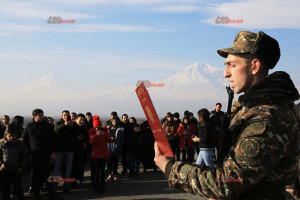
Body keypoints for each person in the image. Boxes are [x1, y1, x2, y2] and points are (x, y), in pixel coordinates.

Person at [154, 31, 300, 199]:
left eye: (232, 65)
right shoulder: (255, 108)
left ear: (254, 66)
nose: (226, 73)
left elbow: (227, 182)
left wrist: (170, 167)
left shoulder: (266, 117)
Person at [22, 109, 60, 200]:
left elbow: (53, 140)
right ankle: (36, 196)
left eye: (42, 115)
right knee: (35, 177)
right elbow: (24, 140)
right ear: (34, 116)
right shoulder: (29, 126)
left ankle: (52, 195)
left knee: (48, 176)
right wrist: (29, 152)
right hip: (34, 156)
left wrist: (52, 152)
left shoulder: (48, 126)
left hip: (45, 155)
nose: (42, 117)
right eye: (39, 115)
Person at [0, 124, 27, 200]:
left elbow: (24, 156)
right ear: (6, 136)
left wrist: (21, 167)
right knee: (6, 188)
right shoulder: (2, 145)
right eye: (10, 136)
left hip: (16, 169)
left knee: (18, 188)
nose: (12, 138)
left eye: (14, 136)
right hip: (5, 170)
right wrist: (1, 164)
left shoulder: (20, 144)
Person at [53, 110, 76, 193]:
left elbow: (75, 134)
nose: (66, 117)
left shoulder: (72, 124)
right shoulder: (58, 123)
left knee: (68, 170)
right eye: (64, 115)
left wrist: (72, 126)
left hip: (69, 150)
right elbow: (56, 131)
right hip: (59, 150)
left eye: (67, 115)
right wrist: (64, 124)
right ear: (62, 116)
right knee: (56, 169)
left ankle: (66, 186)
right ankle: (53, 186)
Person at [89, 125, 112, 194]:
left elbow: (109, 141)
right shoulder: (93, 133)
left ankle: (102, 185)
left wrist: (104, 134)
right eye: (97, 128)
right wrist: (97, 135)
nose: (98, 130)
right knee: (97, 171)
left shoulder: (104, 132)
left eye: (99, 128)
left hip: (104, 155)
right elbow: (91, 143)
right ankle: (96, 186)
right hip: (96, 155)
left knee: (102, 170)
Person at [71, 113, 88, 186]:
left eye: (83, 120)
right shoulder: (72, 127)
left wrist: (84, 142)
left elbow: (86, 137)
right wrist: (76, 138)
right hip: (74, 149)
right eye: (80, 120)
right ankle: (73, 182)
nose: (82, 121)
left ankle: (80, 178)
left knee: (80, 165)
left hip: (81, 150)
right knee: (73, 167)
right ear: (76, 120)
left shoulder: (84, 127)